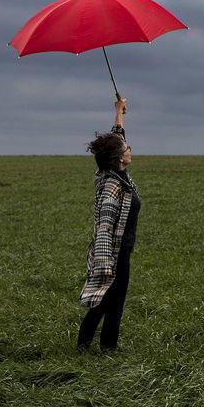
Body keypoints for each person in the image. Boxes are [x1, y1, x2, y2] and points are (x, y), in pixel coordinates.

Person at [77, 95, 141, 353]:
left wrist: (119, 111)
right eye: (126, 148)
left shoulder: (114, 173)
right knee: (108, 300)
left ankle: (101, 346)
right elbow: (103, 227)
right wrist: (105, 263)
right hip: (113, 251)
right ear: (118, 157)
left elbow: (117, 136)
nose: (129, 148)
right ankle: (94, 347)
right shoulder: (112, 186)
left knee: (113, 300)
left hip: (123, 249)